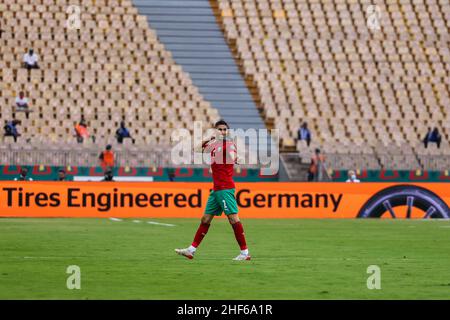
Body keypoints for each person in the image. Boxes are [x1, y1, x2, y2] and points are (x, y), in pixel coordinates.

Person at [175, 120, 251, 261]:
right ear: (215, 131)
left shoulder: (228, 145)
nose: (223, 132)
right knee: (205, 218)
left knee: (233, 218)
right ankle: (191, 250)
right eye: (220, 129)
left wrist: (237, 158)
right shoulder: (213, 144)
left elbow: (234, 156)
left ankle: (245, 253)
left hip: (225, 188)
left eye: (225, 129)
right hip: (216, 189)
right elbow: (195, 149)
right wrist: (207, 139)